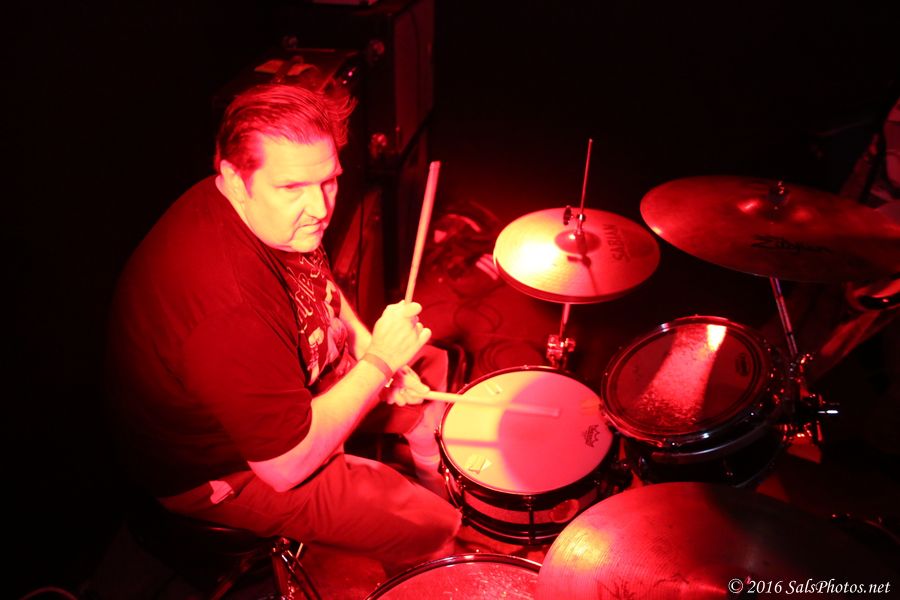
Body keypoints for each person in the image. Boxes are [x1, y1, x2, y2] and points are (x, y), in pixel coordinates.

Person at [105, 83, 461, 576]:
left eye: (329, 181)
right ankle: (435, 545)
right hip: (227, 469)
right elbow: (284, 465)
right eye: (292, 187)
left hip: (286, 390)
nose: (320, 208)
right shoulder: (227, 305)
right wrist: (379, 364)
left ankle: (432, 485)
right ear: (235, 179)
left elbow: (319, 287)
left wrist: (366, 347)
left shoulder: (269, 215)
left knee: (430, 372)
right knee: (424, 525)